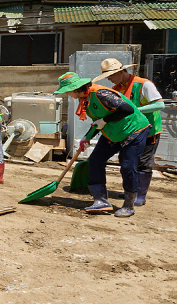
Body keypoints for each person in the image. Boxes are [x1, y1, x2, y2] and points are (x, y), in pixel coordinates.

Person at [56, 72, 150, 218]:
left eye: (67, 91)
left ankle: (129, 205)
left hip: (134, 130)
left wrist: (105, 120)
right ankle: (100, 200)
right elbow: (98, 121)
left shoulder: (101, 94)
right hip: (113, 132)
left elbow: (127, 109)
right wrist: (86, 137)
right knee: (95, 160)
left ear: (76, 88)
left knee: (127, 166)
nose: (67, 94)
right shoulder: (85, 99)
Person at [95, 58, 164, 206]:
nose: (109, 78)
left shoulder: (144, 84)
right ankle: (132, 190)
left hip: (149, 129)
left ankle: (140, 194)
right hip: (130, 132)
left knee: (144, 162)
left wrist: (136, 111)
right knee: (127, 161)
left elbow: (160, 104)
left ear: (121, 71)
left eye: (111, 75)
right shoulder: (117, 88)